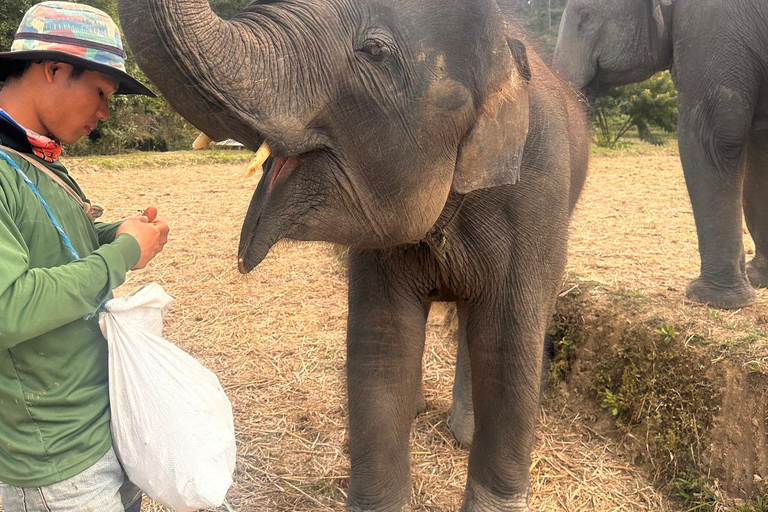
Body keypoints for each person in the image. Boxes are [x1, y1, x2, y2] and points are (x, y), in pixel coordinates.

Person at [0, 2, 169, 510]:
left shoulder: (32, 153)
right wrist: (120, 255)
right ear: (53, 69)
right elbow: (8, 307)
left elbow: (46, 244)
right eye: (101, 93)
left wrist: (116, 233)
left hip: (99, 426)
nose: (104, 114)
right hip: (56, 464)